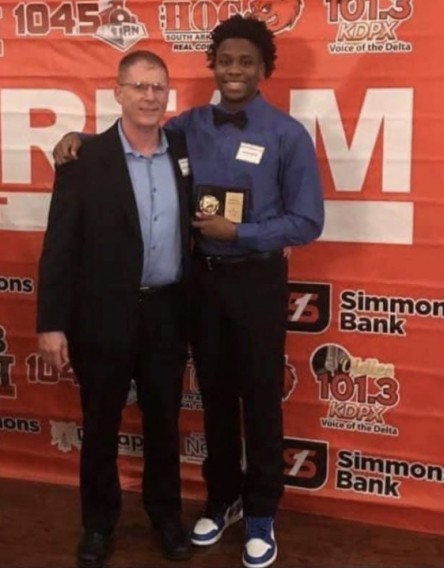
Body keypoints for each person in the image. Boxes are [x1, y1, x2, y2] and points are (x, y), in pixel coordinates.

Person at [53, 14, 324, 568]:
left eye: (246, 61)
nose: (234, 70)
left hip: (256, 280)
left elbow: (308, 220)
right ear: (212, 66)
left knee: (260, 400)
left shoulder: (288, 135)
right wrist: (79, 140)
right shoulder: (186, 128)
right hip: (200, 284)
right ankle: (223, 498)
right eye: (225, 60)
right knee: (216, 400)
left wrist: (239, 232)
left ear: (263, 68)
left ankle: (262, 511)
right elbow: (132, 140)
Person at [38, 50, 193, 568]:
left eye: (158, 87)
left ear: (167, 94)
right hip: (102, 317)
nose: (150, 96)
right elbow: (59, 247)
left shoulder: (184, 151)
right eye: (139, 86)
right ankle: (98, 524)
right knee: (100, 424)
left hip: (167, 314)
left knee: (164, 424)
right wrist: (52, 323)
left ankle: (166, 518)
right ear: (118, 92)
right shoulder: (83, 159)